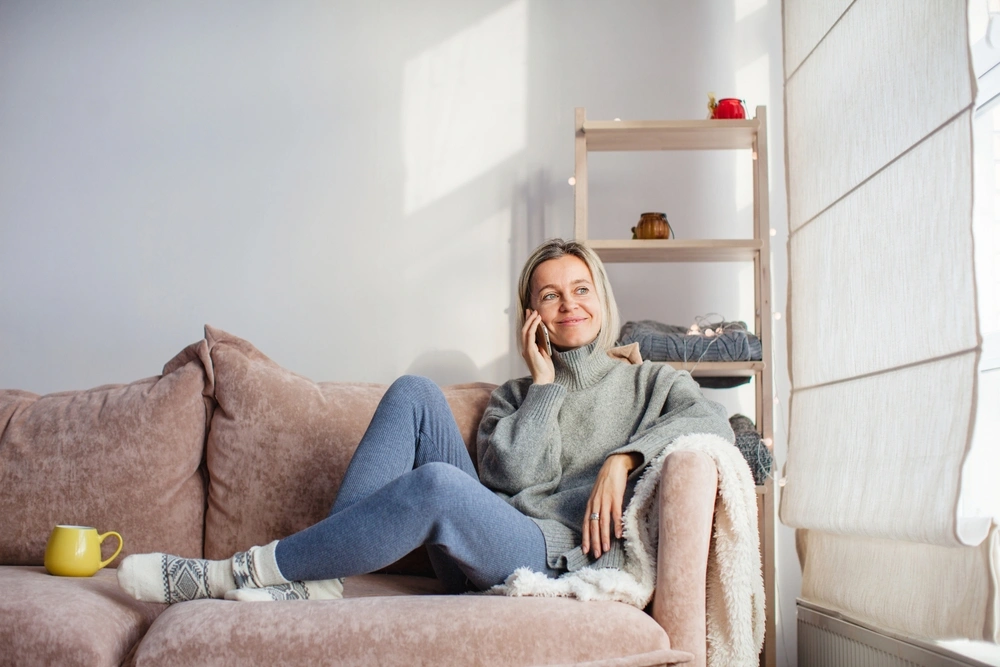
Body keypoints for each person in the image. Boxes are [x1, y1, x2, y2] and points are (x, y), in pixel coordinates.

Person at [116, 238, 733, 604]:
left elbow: (718, 428)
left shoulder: (650, 382)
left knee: (437, 482)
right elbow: (511, 477)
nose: (568, 303)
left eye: (580, 288)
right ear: (531, 314)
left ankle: (231, 573)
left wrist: (624, 460)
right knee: (414, 391)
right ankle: (322, 576)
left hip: (553, 558)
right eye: (549, 294)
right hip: (489, 539)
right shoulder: (517, 394)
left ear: (601, 296)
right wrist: (543, 386)